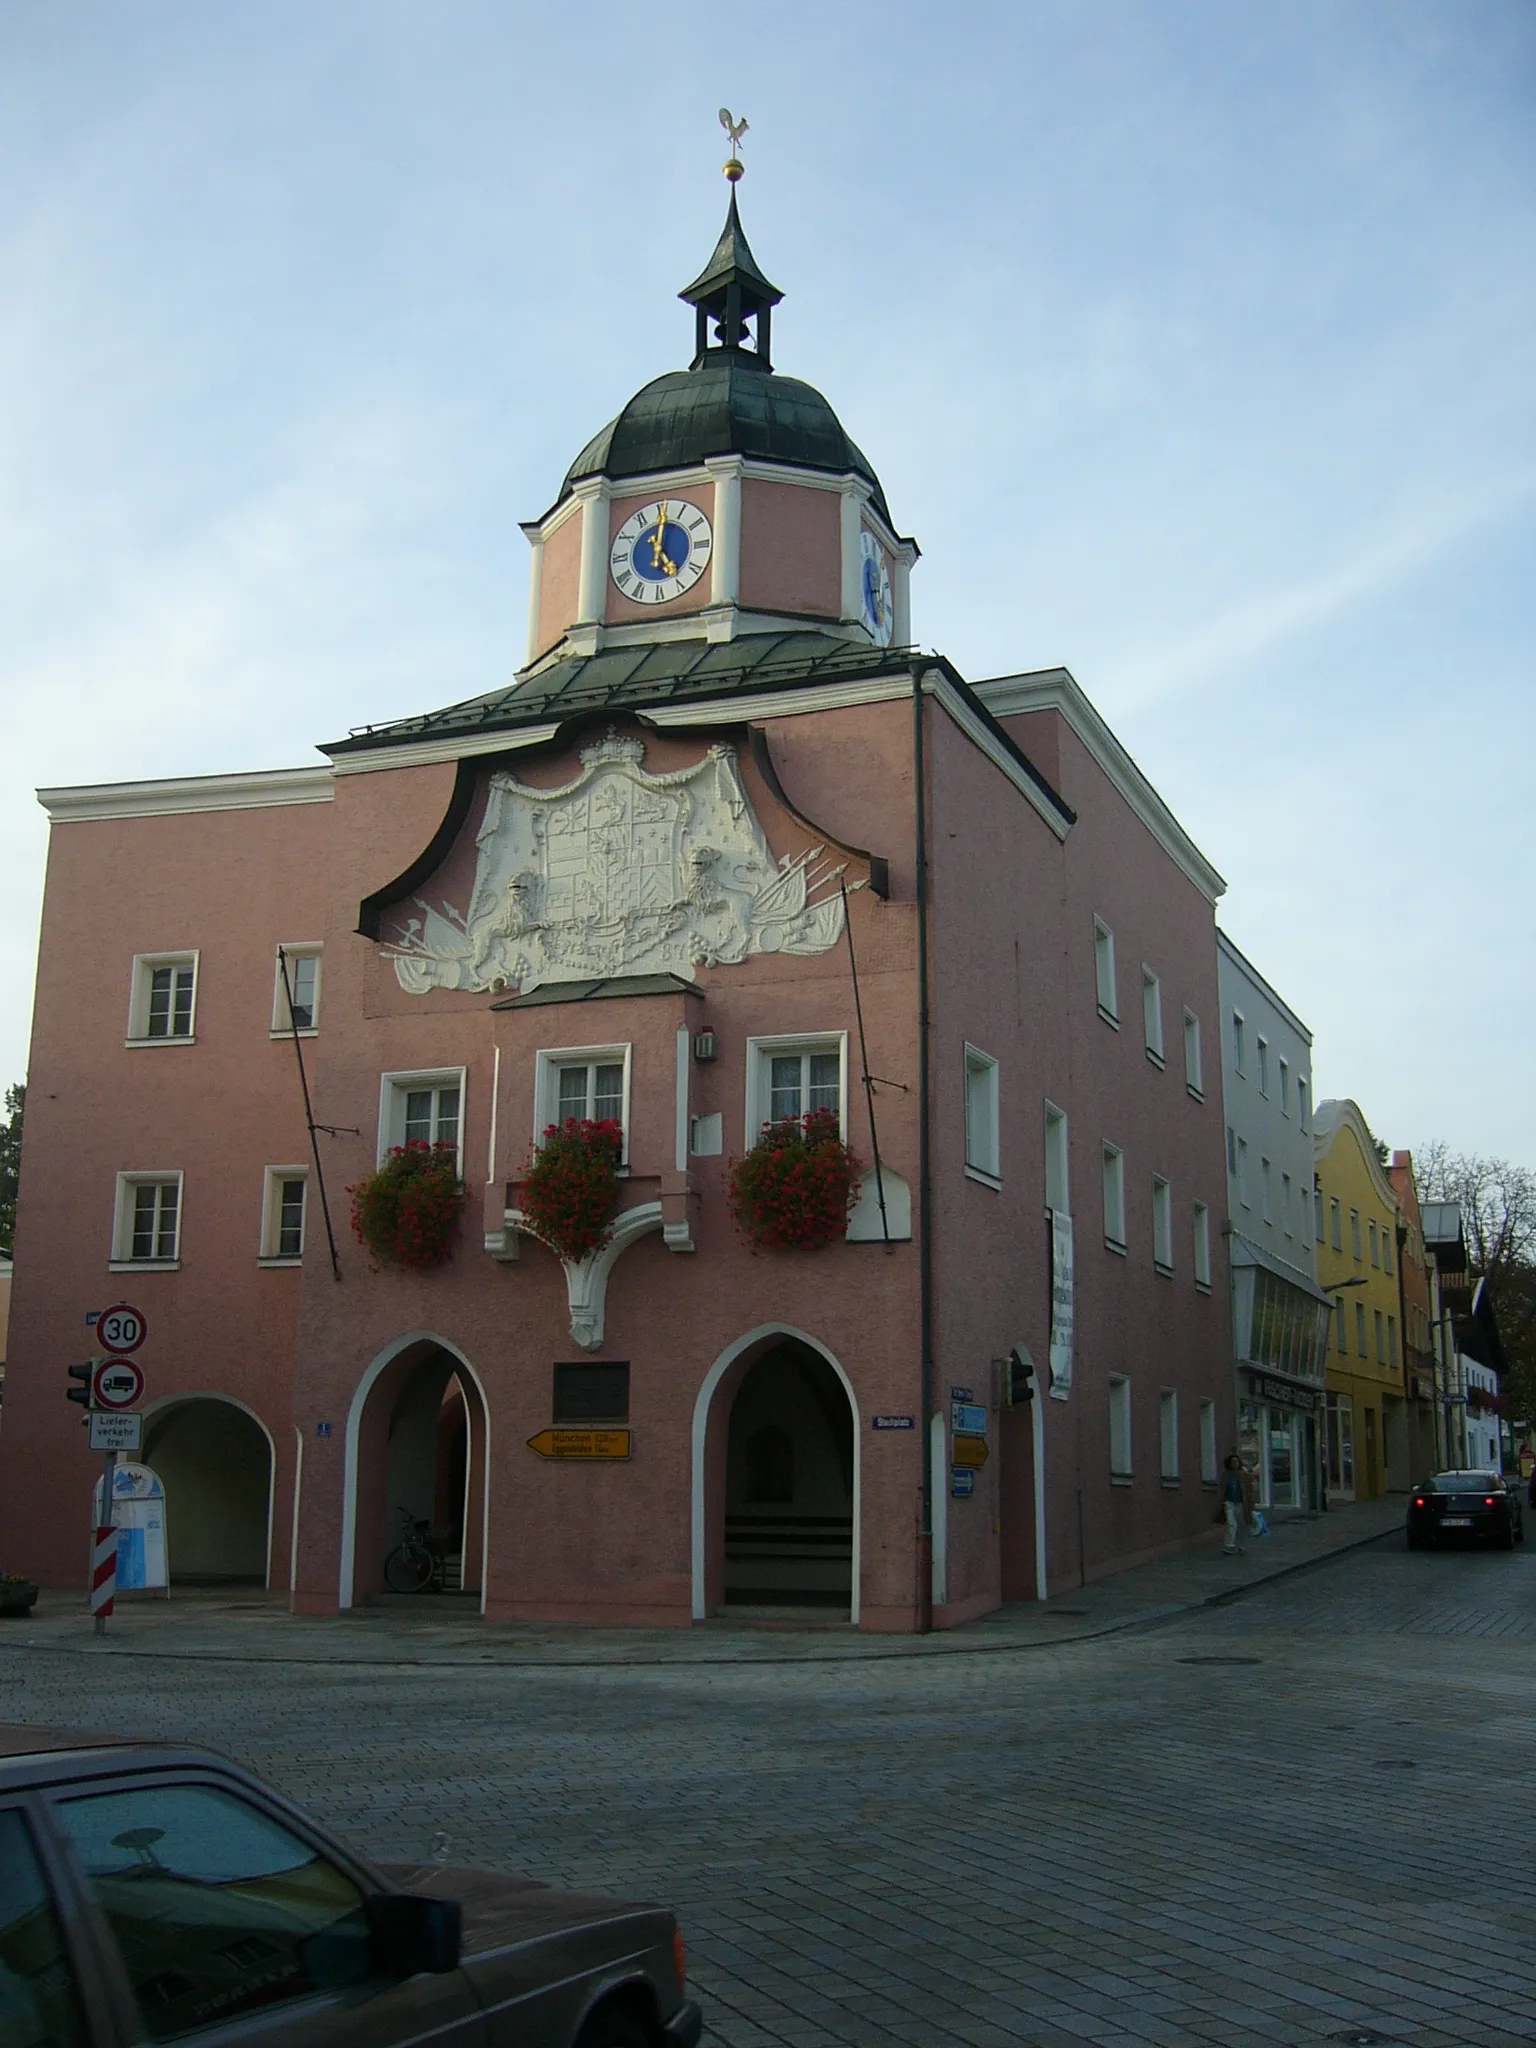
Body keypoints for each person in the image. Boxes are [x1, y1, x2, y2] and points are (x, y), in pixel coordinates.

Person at [1220, 1452, 1256, 1555]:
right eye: (1232, 1462)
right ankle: (1229, 1545)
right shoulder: (1226, 1475)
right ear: (1229, 1464)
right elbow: (1222, 1489)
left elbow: (1249, 1492)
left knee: (1241, 1525)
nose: (1235, 1464)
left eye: (1236, 1461)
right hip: (1229, 1502)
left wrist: (1251, 1506)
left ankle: (1242, 1545)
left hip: (1241, 1503)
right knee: (1231, 1524)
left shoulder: (1244, 1475)